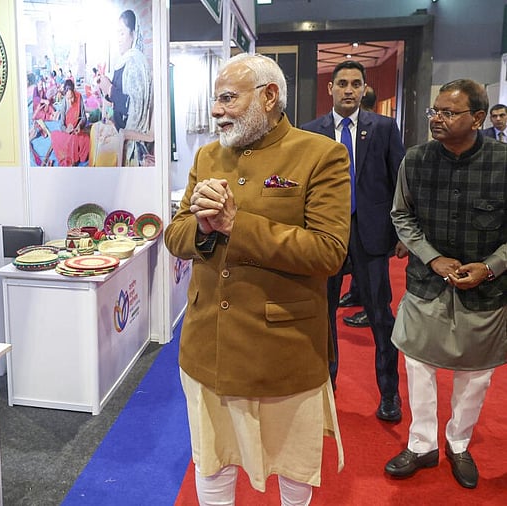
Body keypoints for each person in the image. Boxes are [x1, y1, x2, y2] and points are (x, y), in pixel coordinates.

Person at [164, 53, 350, 505]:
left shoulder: (320, 154)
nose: (216, 110)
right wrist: (203, 229)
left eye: (228, 98)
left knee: (293, 467)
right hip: (207, 344)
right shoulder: (208, 155)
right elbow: (175, 235)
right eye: (216, 99)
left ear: (269, 97)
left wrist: (236, 225)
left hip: (284, 349)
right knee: (212, 460)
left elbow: (329, 252)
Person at [384, 79, 506, 489]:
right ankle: (421, 445)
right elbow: (402, 216)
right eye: (434, 111)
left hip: (486, 290)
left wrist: (489, 267)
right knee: (418, 366)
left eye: (448, 112)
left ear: (477, 118)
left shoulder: (502, 162)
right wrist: (432, 258)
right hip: (425, 283)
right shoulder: (416, 159)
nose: (437, 118)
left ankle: (458, 442)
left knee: (476, 374)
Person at [300, 60, 406, 422]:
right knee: (323, 316)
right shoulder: (310, 132)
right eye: (342, 83)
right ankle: (325, 390)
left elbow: (399, 183)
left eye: (356, 84)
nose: (349, 90)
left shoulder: (384, 128)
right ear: (330, 88)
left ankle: (389, 393)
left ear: (364, 89)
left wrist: (400, 234)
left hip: (371, 235)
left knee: (380, 317)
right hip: (325, 234)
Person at [95, 9, 153, 166]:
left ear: (133, 34)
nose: (119, 39)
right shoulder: (125, 61)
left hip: (130, 141)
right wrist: (105, 87)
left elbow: (134, 107)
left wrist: (110, 89)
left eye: (122, 33)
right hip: (120, 132)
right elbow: (118, 98)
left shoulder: (135, 62)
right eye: (117, 34)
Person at [46, 79, 90, 166]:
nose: (71, 101)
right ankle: (74, 155)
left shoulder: (79, 97)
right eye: (68, 98)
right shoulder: (64, 103)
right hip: (68, 134)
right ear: (65, 96)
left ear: (74, 92)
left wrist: (79, 126)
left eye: (72, 97)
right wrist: (66, 130)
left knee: (87, 140)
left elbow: (84, 117)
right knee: (54, 135)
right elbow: (61, 124)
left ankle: (73, 154)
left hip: (77, 132)